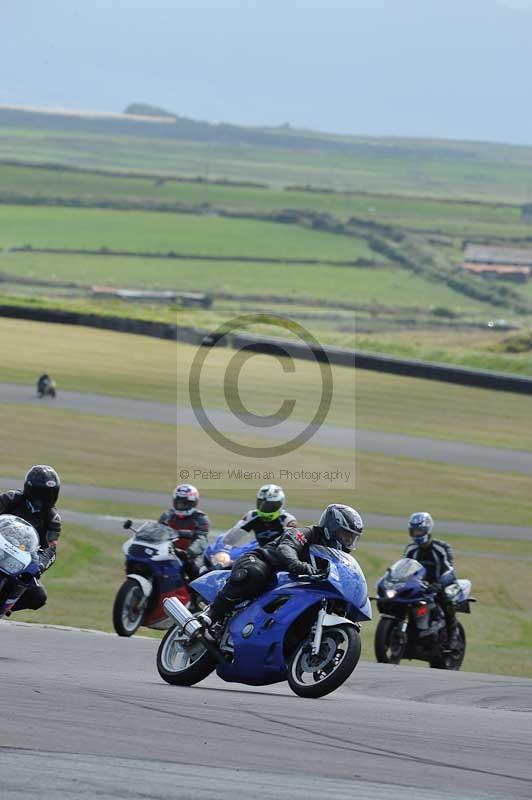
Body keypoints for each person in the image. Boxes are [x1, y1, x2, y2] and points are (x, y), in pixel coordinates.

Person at [200, 503, 364, 629]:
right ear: (332, 528)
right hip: (265, 562)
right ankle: (212, 613)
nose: (348, 541)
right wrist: (296, 564)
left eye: (352, 538)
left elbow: (344, 576)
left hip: (293, 585)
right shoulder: (306, 533)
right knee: (255, 573)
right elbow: (287, 547)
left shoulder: (336, 557)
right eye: (345, 535)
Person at [0, 465, 62, 611]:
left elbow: (51, 548)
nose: (47, 498)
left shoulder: (53, 519)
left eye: (51, 493)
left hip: (20, 561)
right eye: (43, 493)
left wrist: (40, 566)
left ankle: (5, 607)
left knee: (39, 597)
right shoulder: (12, 498)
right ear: (31, 489)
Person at [403, 512, 459, 647]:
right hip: (419, 585)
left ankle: (453, 635)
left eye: (419, 531)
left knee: (447, 598)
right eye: (414, 531)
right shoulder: (410, 549)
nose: (416, 534)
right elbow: (403, 568)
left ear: (427, 530)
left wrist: (439, 584)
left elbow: (450, 569)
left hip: (441, 584)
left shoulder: (441, 548)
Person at [159, 484, 210, 580]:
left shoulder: (201, 518)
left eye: (184, 503)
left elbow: (201, 540)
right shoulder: (167, 515)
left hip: (192, 555)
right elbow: (157, 531)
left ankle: (194, 593)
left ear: (193, 503)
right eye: (178, 502)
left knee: (196, 571)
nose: (180, 505)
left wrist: (189, 553)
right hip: (167, 552)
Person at [225, 484, 297, 547]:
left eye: (271, 506)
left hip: (279, 555)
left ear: (281, 503)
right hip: (257, 553)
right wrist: (225, 549)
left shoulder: (287, 520)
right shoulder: (252, 516)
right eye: (262, 504)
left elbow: (292, 543)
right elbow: (231, 537)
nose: (266, 508)